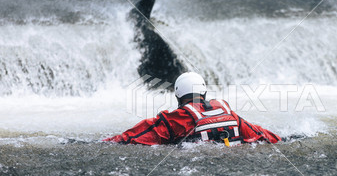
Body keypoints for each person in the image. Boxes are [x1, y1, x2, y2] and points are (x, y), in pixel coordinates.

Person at [104, 72, 281, 146]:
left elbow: (130, 139)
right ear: (204, 93)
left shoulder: (175, 119)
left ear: (178, 97)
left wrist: (106, 143)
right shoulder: (230, 114)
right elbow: (263, 135)